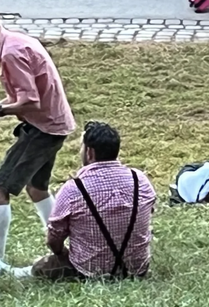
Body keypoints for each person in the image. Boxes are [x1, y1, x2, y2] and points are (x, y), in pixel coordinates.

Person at [0, 122, 157, 280]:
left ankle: (18, 273)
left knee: (44, 266)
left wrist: (62, 253)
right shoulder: (140, 179)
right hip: (136, 268)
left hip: (88, 271)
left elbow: (53, 238)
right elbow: (148, 211)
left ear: (89, 152)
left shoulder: (74, 189)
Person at [0, 23, 76, 261]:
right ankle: (65, 251)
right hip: (53, 124)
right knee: (37, 188)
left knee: (0, 189)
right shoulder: (17, 41)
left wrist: (2, 110)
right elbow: (23, 95)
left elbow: (31, 101)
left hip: (43, 128)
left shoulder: (10, 54)